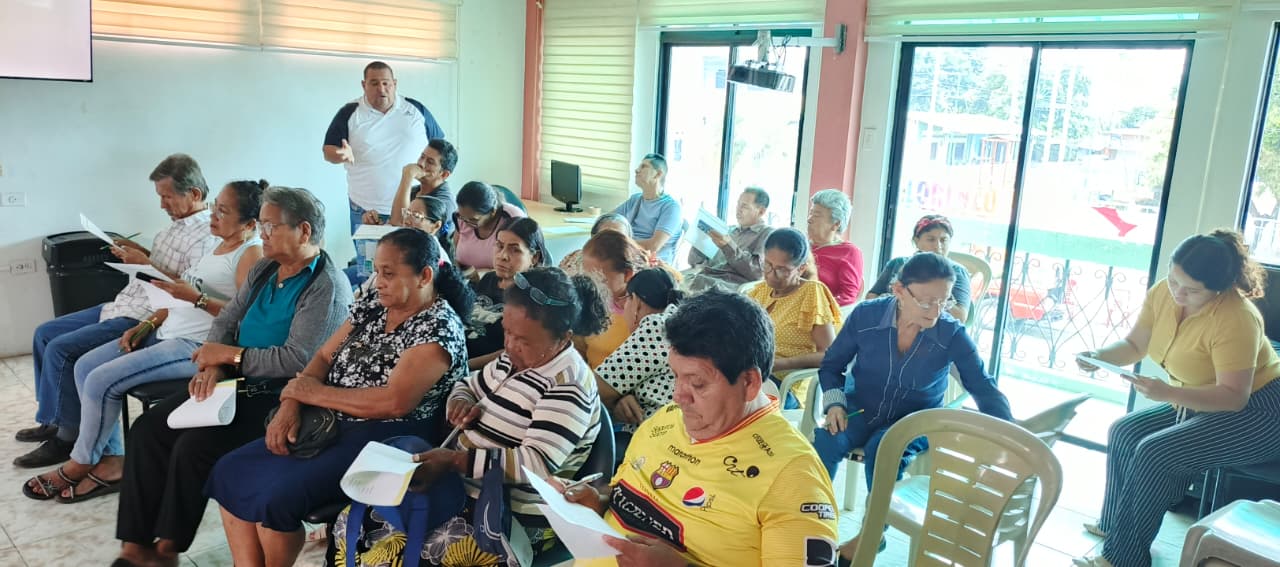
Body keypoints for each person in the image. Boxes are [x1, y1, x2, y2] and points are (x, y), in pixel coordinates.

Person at [112, 187, 353, 567]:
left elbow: (298, 359)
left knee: (195, 448)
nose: (263, 234)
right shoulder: (265, 268)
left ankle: (167, 550)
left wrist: (229, 356)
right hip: (235, 382)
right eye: (263, 225)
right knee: (148, 429)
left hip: (280, 396)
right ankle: (134, 546)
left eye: (271, 226)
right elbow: (227, 319)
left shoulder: (327, 286)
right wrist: (214, 365)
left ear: (304, 231)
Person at [208, 228, 473, 567]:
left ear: (424, 276)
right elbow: (322, 356)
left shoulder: (438, 327)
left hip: (386, 437)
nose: (378, 282)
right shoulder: (375, 305)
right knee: (230, 470)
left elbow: (395, 402)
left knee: (276, 497)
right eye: (377, 271)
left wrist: (314, 394)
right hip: (329, 420)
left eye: (389, 274)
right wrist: (291, 404)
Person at [332, 266, 611, 566]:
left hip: (508, 516)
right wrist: (461, 401)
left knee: (390, 558)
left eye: (524, 340)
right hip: (460, 489)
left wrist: (455, 461)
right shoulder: (514, 360)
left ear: (564, 337)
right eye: (507, 331)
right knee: (351, 523)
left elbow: (535, 464)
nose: (509, 346)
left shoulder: (568, 385)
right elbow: (467, 384)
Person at [21, 180, 265, 503]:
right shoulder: (216, 246)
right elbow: (179, 292)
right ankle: (112, 459)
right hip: (165, 331)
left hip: (195, 345)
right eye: (215, 206)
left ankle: (80, 462)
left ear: (249, 224)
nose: (213, 215)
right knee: (84, 366)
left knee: (100, 380)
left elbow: (246, 317)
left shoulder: (250, 254)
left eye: (223, 211)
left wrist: (199, 299)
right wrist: (147, 323)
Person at [565, 290, 840, 567]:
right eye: (675, 375)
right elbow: (628, 497)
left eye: (697, 383)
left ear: (749, 383)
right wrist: (600, 502)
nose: (678, 396)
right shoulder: (664, 420)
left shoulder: (793, 476)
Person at [1072, 230, 1280, 567]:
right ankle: (1114, 529)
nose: (1178, 293)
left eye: (1192, 290)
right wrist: (1100, 356)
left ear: (1219, 288)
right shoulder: (1164, 293)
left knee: (1156, 452)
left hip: (1262, 411)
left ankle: (1122, 559)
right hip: (1202, 397)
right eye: (1173, 280)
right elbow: (1136, 345)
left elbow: (1233, 397)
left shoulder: (1237, 318)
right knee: (1125, 431)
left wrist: (1166, 392)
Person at [14, 153, 220, 468]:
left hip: (145, 313)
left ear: (193, 193)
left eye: (167, 196)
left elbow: (188, 287)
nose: (161, 204)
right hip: (125, 302)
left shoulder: (207, 235)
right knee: (44, 333)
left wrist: (146, 263)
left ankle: (67, 436)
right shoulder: (174, 227)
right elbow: (168, 266)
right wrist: (140, 253)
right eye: (159, 196)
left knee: (62, 349)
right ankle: (55, 418)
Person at [810, 252, 1012, 562]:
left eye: (944, 301)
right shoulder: (866, 317)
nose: (937, 311)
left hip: (914, 419)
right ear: (899, 291)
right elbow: (831, 365)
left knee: (885, 447)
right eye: (927, 302)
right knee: (826, 440)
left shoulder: (951, 333)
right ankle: (813, 526)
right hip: (859, 407)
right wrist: (835, 403)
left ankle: (872, 533)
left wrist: (1009, 439)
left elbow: (983, 387)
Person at [323, 61, 445, 233]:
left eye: (386, 83)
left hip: (412, 211)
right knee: (370, 252)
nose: (381, 89)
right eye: (374, 83)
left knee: (411, 251)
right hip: (365, 210)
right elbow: (328, 151)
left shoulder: (416, 110)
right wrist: (340, 154)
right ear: (364, 85)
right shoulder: (350, 112)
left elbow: (441, 147)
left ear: (394, 84)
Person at [745, 228, 841, 408]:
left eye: (782, 270)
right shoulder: (759, 291)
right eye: (768, 265)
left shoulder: (811, 293)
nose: (771, 274)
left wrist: (778, 364)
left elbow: (830, 355)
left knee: (731, 401)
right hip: (752, 375)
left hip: (785, 384)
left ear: (801, 268)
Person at [595, 267, 685, 443]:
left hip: (655, 440)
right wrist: (619, 398)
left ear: (635, 302)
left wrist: (614, 398)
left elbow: (595, 390)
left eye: (625, 300)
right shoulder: (679, 321)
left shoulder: (657, 327)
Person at [467, 217, 551, 369]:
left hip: (488, 370)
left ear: (534, 257)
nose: (502, 256)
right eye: (499, 246)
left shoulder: (534, 298)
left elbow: (515, 352)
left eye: (515, 250)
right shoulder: (488, 279)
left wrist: (465, 366)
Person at [866, 214, 970, 321]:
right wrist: (891, 302)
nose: (938, 246)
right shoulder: (897, 263)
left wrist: (938, 300)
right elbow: (871, 296)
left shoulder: (957, 271)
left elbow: (960, 316)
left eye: (943, 240)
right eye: (931, 239)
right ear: (916, 241)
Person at [580, 230, 656, 368]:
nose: (591, 285)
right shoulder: (591, 299)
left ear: (627, 274)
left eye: (599, 278)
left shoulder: (646, 313)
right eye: (587, 277)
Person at [685, 187, 775, 293]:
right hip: (704, 279)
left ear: (761, 211)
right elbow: (694, 262)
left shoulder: (767, 234)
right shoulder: (729, 230)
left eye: (744, 206)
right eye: (738, 204)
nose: (738, 210)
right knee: (670, 278)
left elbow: (757, 273)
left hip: (726, 288)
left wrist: (728, 246)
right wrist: (699, 241)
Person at [611, 153, 684, 264]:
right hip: (627, 255)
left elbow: (654, 246)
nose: (636, 170)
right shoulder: (635, 199)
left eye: (643, 166)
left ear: (658, 174)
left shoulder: (671, 207)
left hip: (651, 264)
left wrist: (619, 243)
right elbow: (608, 219)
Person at [386, 138, 459, 239]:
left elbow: (400, 225)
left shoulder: (445, 202)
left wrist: (407, 177)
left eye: (430, 162)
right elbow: (393, 222)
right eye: (422, 157)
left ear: (444, 174)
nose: (421, 163)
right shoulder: (413, 191)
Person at [452, 181, 526, 275]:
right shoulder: (461, 216)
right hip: (466, 277)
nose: (466, 223)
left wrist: (484, 275)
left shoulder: (512, 218)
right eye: (462, 217)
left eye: (474, 219)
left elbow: (522, 264)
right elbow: (456, 254)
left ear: (492, 212)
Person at [808, 189, 864, 306]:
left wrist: (816, 308)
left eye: (816, 215)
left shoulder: (849, 252)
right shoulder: (801, 246)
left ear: (836, 224)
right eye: (811, 213)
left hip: (822, 313)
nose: (809, 219)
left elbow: (847, 297)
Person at [559, 213, 631, 276]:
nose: (612, 242)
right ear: (593, 237)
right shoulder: (571, 260)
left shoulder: (632, 268)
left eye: (619, 237)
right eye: (605, 237)